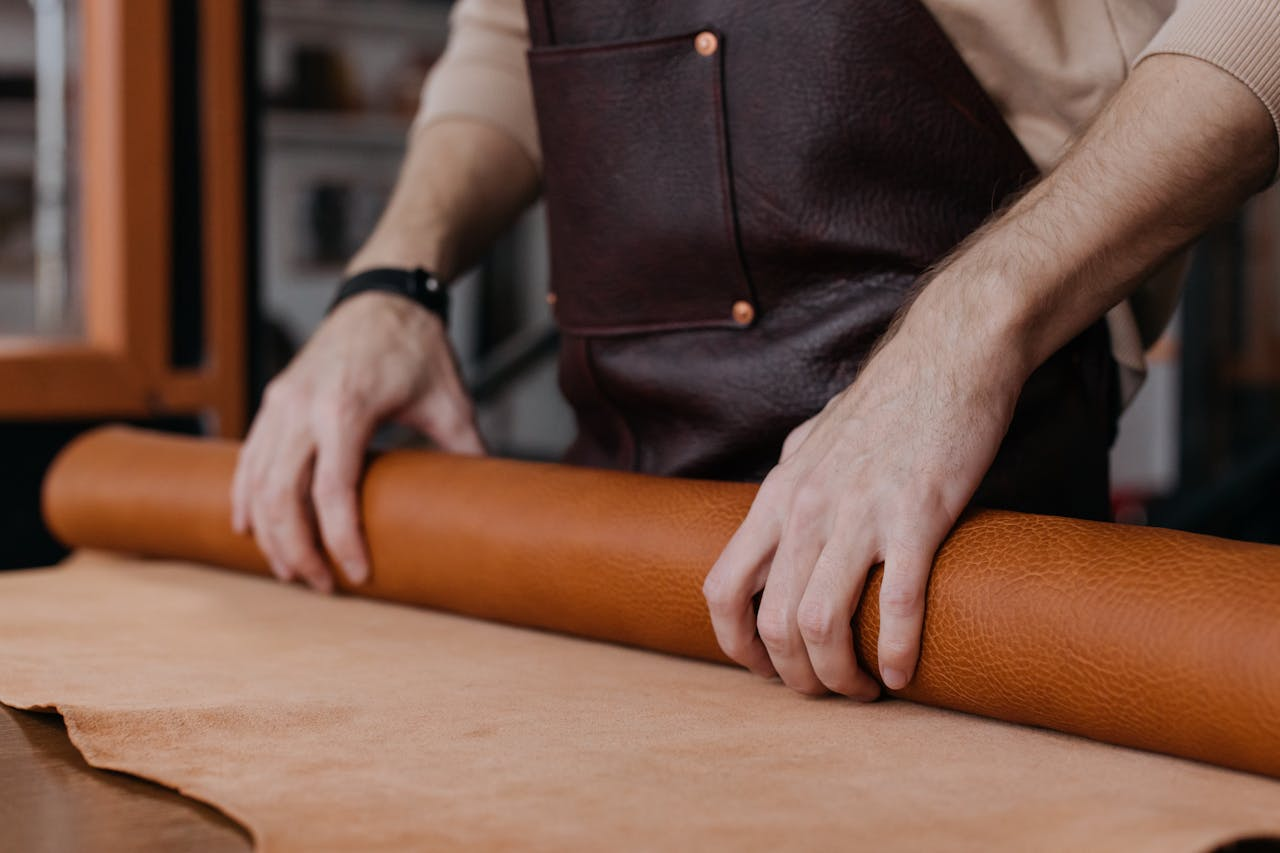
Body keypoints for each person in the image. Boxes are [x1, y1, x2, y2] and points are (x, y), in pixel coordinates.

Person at [233, 0, 1279, 700]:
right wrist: (388, 280)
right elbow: (508, 25)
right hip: (614, 568)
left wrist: (970, 323)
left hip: (956, 553)